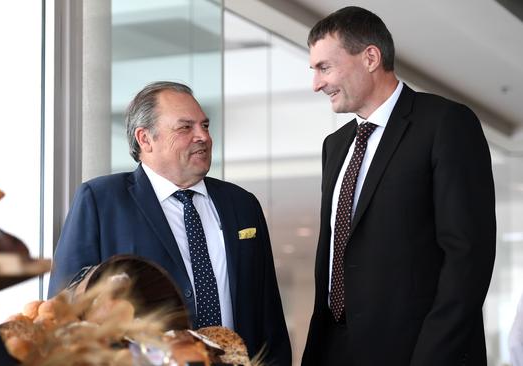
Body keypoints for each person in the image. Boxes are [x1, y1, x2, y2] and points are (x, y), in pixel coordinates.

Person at [301, 6, 496, 366]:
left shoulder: (446, 124)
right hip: (335, 350)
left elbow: (467, 258)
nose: (316, 83)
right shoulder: (336, 145)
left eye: (324, 67)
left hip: (417, 352)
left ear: (371, 57)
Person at [49, 81, 291, 365]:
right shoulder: (102, 200)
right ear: (145, 139)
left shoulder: (242, 204)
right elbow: (63, 310)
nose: (203, 136)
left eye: (205, 125)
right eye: (185, 127)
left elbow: (269, 316)